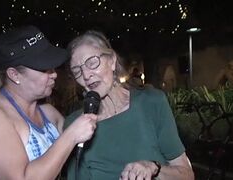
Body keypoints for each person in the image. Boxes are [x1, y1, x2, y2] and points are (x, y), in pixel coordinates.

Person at [0, 25, 97, 180]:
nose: (54, 74)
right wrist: (71, 136)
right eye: (44, 68)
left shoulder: (48, 112)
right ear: (14, 74)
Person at [65, 30, 195, 180]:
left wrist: (154, 168)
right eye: (77, 71)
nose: (86, 75)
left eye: (92, 63)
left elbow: (187, 175)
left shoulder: (151, 103)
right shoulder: (74, 126)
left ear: (112, 60)